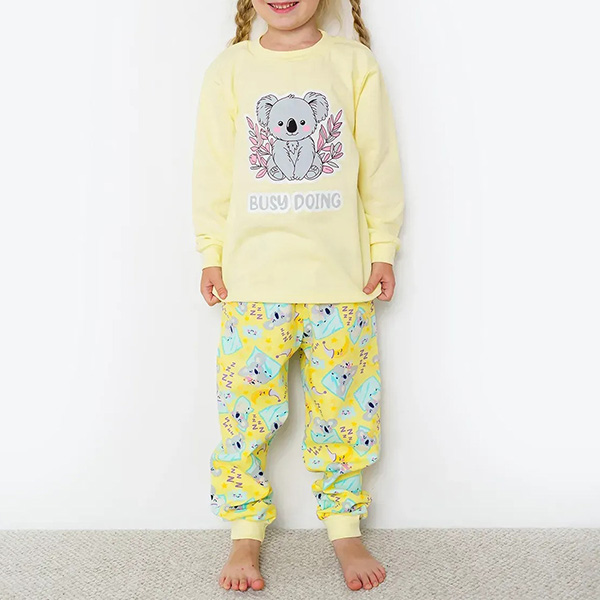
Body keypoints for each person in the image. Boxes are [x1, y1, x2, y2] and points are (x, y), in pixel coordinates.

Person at [192, 0, 404, 592]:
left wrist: (382, 247)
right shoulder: (230, 69)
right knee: (244, 415)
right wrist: (211, 254)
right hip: (252, 284)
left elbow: (379, 167)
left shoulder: (354, 64)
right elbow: (212, 174)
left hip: (341, 284)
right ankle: (244, 534)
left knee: (347, 414)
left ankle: (345, 528)